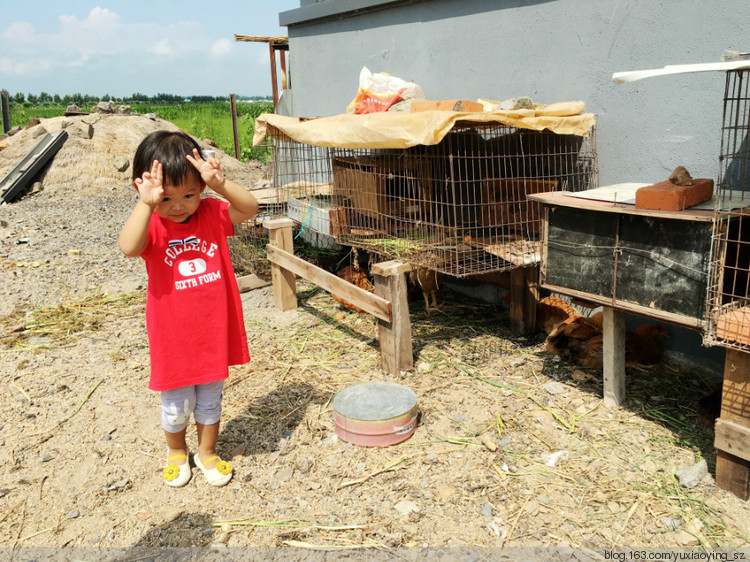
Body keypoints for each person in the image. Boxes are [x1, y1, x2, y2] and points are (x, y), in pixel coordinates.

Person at [118, 131, 258, 487]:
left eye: (189, 195)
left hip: (213, 330)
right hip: (174, 337)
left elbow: (250, 208)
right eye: (167, 197)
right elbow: (128, 247)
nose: (178, 205)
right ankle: (177, 451)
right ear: (145, 189)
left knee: (211, 400)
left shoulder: (211, 213)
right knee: (176, 405)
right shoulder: (151, 224)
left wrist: (221, 185)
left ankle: (207, 452)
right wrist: (147, 205)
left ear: (202, 189)